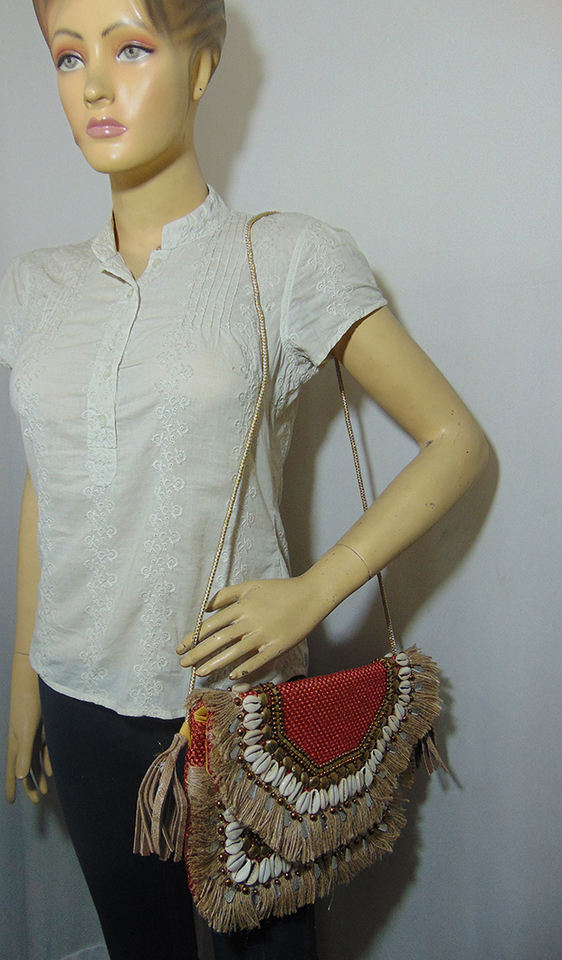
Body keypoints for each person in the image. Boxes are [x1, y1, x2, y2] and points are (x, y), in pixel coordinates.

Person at [2, 1, 489, 958]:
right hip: (77, 696)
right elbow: (47, 483)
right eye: (67, 56)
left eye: (130, 47)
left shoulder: (287, 257)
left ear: (200, 67)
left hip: (236, 704)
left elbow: (455, 439)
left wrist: (312, 594)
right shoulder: (33, 288)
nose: (94, 85)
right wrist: (23, 674)